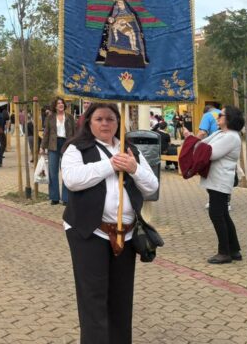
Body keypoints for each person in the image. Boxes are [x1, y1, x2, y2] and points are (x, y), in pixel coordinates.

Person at [61, 102, 159, 344]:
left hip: (124, 234)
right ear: (89, 123)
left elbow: (152, 187)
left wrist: (134, 168)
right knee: (93, 298)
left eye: (111, 119)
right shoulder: (77, 148)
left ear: (119, 123)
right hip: (89, 232)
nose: (105, 123)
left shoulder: (130, 149)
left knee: (121, 298)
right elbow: (72, 180)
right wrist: (110, 164)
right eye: (99, 119)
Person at [184, 106, 244, 264]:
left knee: (217, 214)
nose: (217, 117)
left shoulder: (231, 136)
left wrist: (197, 144)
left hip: (221, 180)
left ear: (229, 119)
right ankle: (234, 250)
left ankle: (224, 252)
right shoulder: (220, 133)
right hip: (215, 179)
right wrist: (191, 138)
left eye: (220, 115)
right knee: (223, 214)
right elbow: (201, 144)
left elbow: (211, 152)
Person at [41, 97, 76, 206]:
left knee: (66, 171)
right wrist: (42, 146)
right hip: (53, 145)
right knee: (53, 172)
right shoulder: (50, 117)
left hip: (67, 145)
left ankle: (66, 198)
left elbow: (74, 133)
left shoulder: (70, 117)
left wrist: (75, 146)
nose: (60, 105)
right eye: (58, 103)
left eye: (62, 103)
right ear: (55, 106)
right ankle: (54, 197)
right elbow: (46, 133)